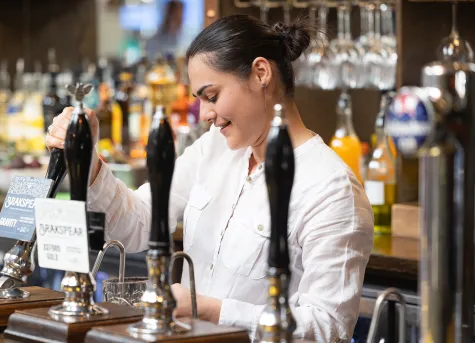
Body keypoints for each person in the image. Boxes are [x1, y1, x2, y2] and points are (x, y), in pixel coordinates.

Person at [46, 15, 374, 342]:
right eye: (200, 100)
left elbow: (328, 327)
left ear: (262, 73)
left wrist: (211, 310)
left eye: (212, 96)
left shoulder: (331, 189)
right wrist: (87, 162)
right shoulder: (214, 149)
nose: (204, 115)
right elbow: (142, 223)